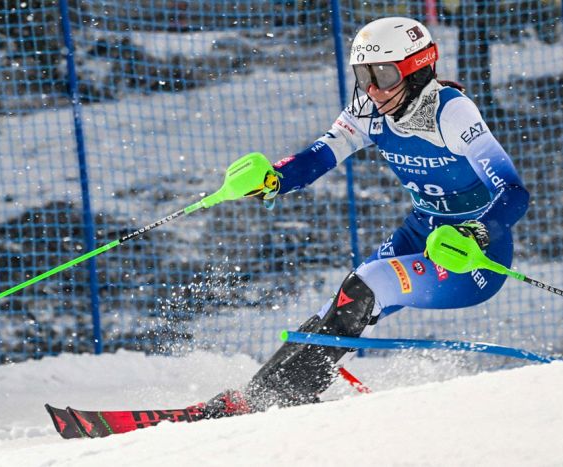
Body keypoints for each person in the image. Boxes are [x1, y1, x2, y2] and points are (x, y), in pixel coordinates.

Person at [198, 16, 530, 418]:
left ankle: (281, 402)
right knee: (338, 304)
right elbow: (322, 154)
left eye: (383, 74)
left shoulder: (452, 114)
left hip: (472, 257)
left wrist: (477, 231)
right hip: (422, 231)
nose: (372, 88)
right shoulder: (367, 107)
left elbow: (513, 191)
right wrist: (275, 178)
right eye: (363, 74)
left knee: (367, 285)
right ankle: (254, 398)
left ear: (417, 69)